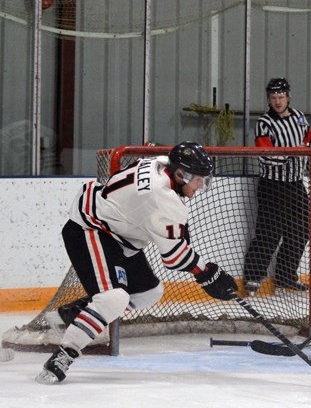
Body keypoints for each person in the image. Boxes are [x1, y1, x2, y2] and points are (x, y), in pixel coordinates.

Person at [36, 142, 238, 384]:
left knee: (149, 292)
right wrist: (208, 274)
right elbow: (173, 258)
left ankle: (75, 312)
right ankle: (64, 355)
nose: (201, 186)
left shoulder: (160, 163)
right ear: (182, 174)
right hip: (90, 229)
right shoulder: (163, 199)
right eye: (199, 180)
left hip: (118, 233)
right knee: (114, 298)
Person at [243, 77, 311, 293]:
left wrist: (304, 159)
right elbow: (266, 155)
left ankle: (285, 276)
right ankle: (253, 277)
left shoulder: (300, 117)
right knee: (269, 233)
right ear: (268, 99)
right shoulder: (264, 122)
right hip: (272, 186)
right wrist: (293, 154)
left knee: (300, 232)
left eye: (281, 97)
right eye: (273, 97)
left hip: (295, 184)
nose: (277, 101)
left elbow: (310, 143)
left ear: (288, 97)